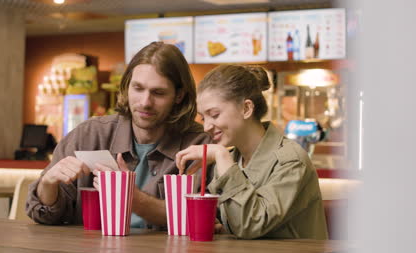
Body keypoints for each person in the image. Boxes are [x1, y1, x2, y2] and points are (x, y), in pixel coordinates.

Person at [26, 42, 211, 229]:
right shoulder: (89, 135)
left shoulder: (200, 145)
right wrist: (48, 184)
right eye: (138, 88)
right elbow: (43, 215)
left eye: (158, 93)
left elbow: (204, 222)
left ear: (179, 95)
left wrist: (132, 197)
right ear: (126, 87)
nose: (145, 102)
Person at [176, 65, 328, 239]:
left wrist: (221, 155)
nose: (206, 126)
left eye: (215, 114)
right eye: (204, 118)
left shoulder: (291, 161)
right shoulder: (232, 159)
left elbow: (251, 224)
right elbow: (236, 223)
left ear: (246, 108)